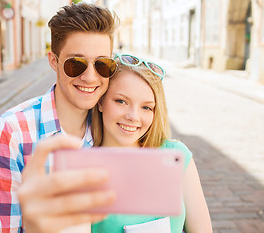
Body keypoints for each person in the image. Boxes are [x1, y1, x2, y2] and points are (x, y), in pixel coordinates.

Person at [0, 3, 119, 232]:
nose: (90, 77)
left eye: (103, 64)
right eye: (76, 64)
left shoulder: (113, 125)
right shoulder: (11, 132)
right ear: (53, 61)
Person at [89, 53, 213, 232]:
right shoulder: (84, 168)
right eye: (121, 101)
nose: (133, 117)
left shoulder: (176, 155)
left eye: (146, 107)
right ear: (101, 102)